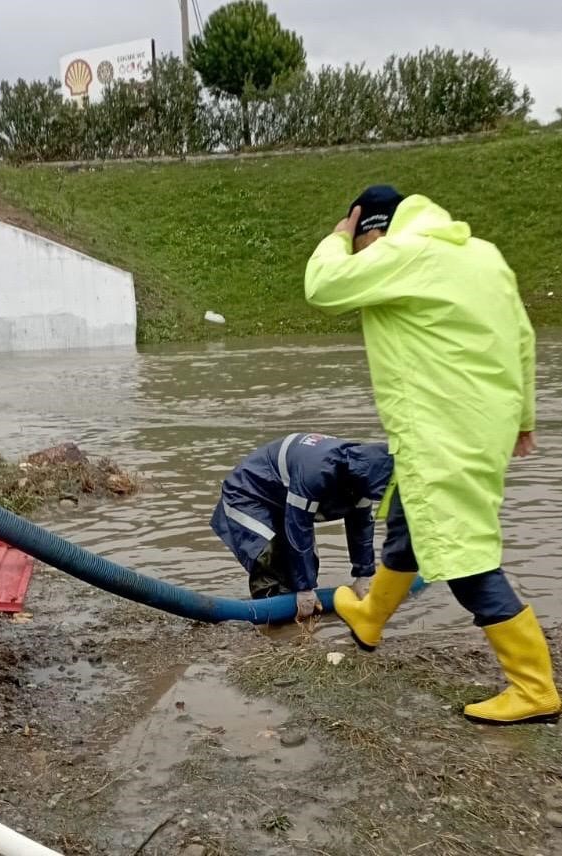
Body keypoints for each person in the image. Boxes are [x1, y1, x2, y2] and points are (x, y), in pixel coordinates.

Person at [304, 184, 560, 725]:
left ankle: (533, 687)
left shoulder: (403, 251)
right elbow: (522, 335)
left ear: (375, 228)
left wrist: (338, 235)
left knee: (462, 554)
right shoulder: (482, 254)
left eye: (363, 241)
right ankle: (370, 616)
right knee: (411, 520)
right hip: (484, 422)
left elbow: (322, 286)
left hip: (442, 428)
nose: (362, 257)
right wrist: (525, 420)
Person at [210, 433, 393, 620]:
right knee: (269, 556)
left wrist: (364, 576)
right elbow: (299, 528)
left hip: (282, 498)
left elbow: (361, 528)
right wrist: (305, 589)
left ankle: (291, 623)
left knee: (304, 564)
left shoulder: (362, 479)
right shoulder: (316, 472)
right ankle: (270, 618)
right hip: (247, 493)